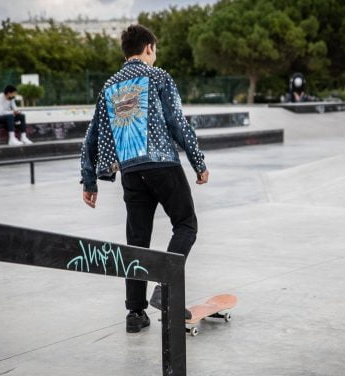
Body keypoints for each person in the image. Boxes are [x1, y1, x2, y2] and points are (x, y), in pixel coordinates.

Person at [79, 24, 209, 333]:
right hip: (162, 163)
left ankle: (135, 314)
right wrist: (198, 161)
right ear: (148, 47)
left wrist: (89, 181)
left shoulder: (110, 85)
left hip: (132, 172)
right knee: (186, 224)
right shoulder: (158, 76)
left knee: (136, 240)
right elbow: (177, 123)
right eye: (156, 49)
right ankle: (164, 288)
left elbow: (92, 137)